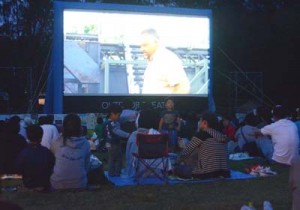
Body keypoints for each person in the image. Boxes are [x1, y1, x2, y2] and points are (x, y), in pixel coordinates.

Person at [174, 112, 230, 179]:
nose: (199, 122)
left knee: (177, 169)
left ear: (205, 122)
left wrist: (181, 148)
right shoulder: (221, 135)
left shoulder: (201, 135)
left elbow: (186, 153)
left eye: (200, 120)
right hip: (225, 172)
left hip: (206, 173)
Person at [140, 28, 190, 94]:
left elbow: (183, 88)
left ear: (156, 42)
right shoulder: (153, 61)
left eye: (145, 45)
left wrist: (170, 104)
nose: (142, 49)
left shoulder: (166, 59)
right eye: (141, 46)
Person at [50, 114, 91, 190]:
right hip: (80, 184)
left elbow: (51, 163)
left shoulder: (56, 142)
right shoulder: (85, 143)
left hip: (57, 184)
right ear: (79, 127)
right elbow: (86, 166)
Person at [16, 125, 55, 191]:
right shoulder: (47, 152)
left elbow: (18, 168)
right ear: (41, 136)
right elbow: (52, 167)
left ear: (28, 137)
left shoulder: (23, 153)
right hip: (44, 184)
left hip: (28, 183)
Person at [125, 108, 160, 177]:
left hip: (138, 167)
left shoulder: (134, 135)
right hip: (155, 167)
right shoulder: (157, 134)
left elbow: (128, 154)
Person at [105, 104, 130, 177]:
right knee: (118, 159)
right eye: (119, 115)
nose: (119, 117)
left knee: (112, 159)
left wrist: (129, 117)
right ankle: (116, 174)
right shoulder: (112, 123)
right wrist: (128, 135)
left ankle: (111, 173)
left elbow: (122, 119)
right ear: (112, 114)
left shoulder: (109, 122)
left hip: (109, 143)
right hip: (113, 144)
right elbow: (117, 131)